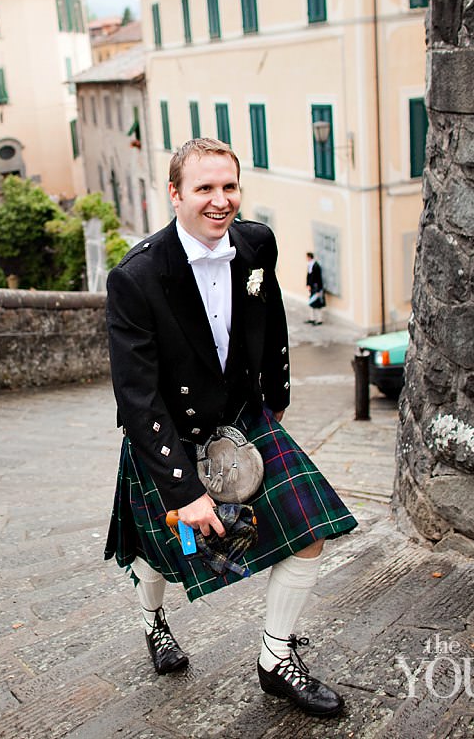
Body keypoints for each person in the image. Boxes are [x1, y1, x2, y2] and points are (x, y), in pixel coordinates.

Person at [104, 138, 357, 718]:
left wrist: (278, 399)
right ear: (175, 194)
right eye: (204, 189)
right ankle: (154, 620)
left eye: (229, 187)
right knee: (155, 557)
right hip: (172, 432)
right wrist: (183, 489)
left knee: (312, 529)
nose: (220, 201)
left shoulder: (256, 242)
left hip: (244, 417)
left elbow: (272, 321)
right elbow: (136, 395)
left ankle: (276, 658)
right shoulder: (137, 277)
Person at [305, 251, 325, 325]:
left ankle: (319, 320)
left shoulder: (316, 266)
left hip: (316, 288)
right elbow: (309, 276)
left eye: (307, 257)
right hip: (312, 288)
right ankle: (312, 318)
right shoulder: (310, 265)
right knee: (311, 303)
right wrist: (308, 285)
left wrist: (318, 290)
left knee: (317, 304)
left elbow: (318, 278)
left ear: (309, 257)